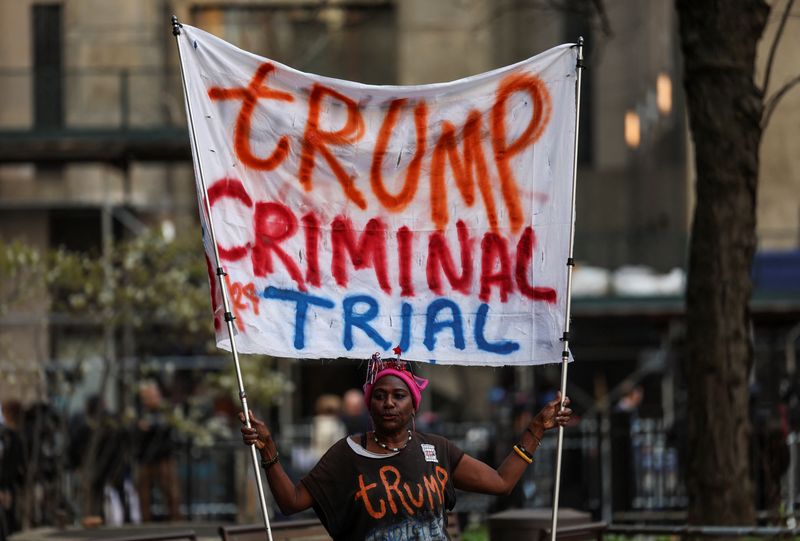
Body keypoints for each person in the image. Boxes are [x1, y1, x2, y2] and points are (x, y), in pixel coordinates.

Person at [240, 352, 572, 540]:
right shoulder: (347, 453)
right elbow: (291, 501)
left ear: (414, 406)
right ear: (369, 406)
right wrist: (268, 448)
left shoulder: (438, 449)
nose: (388, 403)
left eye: (399, 396)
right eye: (380, 396)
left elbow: (501, 483)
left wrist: (536, 428)